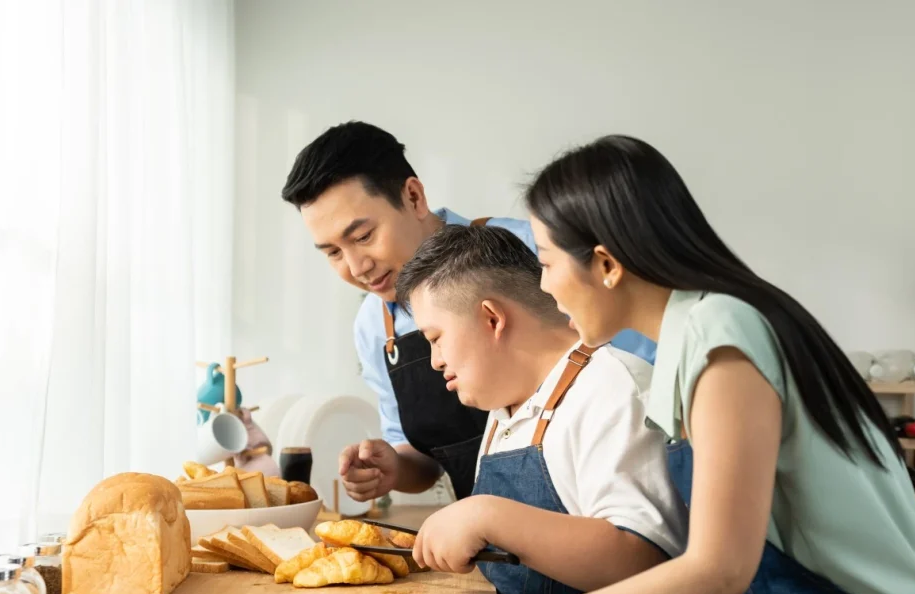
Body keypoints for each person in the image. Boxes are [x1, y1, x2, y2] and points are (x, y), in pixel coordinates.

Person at [336, 135, 915, 594]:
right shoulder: (694, 338)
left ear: (606, 265)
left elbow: (717, 569)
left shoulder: (722, 338)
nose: (545, 287)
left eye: (549, 263)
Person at [388, 223, 722, 594]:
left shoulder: (612, 389)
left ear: (491, 318)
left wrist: (487, 514)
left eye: (435, 337)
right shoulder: (508, 405)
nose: (435, 361)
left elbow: (643, 564)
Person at [281, 121, 655, 504]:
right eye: (332, 253)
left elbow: (638, 371)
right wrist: (392, 467)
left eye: (363, 237)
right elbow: (426, 458)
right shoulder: (374, 326)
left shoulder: (534, 251)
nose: (357, 266)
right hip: (482, 541)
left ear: (413, 197)